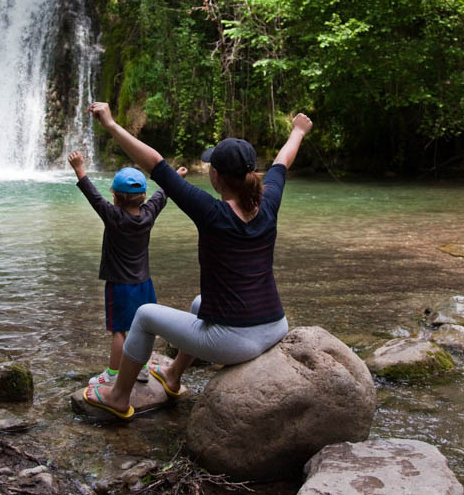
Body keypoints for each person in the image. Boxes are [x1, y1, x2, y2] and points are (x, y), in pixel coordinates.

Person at [80, 103, 313, 419]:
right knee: (198, 304)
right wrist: (298, 130)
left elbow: (155, 164)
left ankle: (118, 396)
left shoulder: (212, 212)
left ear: (215, 176)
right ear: (250, 174)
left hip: (237, 340)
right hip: (275, 326)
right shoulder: (268, 203)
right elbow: (282, 162)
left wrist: (110, 125)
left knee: (145, 314)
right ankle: (173, 375)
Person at [67, 150, 187, 388]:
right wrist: (175, 177)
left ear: (114, 196)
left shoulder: (112, 215)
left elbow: (93, 196)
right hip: (144, 283)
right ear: (143, 196)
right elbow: (163, 194)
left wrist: (79, 168)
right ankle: (141, 370)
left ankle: (113, 373)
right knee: (142, 330)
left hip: (119, 286)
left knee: (119, 331)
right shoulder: (149, 213)